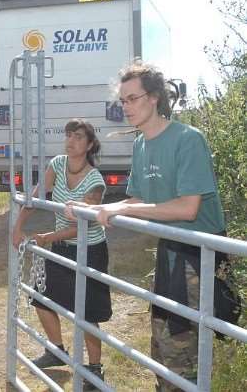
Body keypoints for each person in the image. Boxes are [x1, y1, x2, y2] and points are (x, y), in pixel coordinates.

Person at [66, 61, 227, 391]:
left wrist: (127, 211)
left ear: (154, 98)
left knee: (182, 345)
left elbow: (187, 207)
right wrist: (101, 207)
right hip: (171, 248)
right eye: (122, 101)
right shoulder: (141, 143)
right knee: (160, 340)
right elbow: (138, 198)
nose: (126, 107)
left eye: (132, 98)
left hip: (201, 255)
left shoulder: (187, 139)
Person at [12, 119, 112, 391]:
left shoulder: (95, 181)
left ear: (89, 145)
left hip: (89, 250)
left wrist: (46, 237)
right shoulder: (57, 164)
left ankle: (94, 370)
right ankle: (57, 350)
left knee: (86, 313)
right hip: (62, 247)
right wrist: (17, 227)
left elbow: (83, 225)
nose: (71, 140)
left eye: (79, 137)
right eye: (68, 135)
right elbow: (36, 195)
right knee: (43, 300)